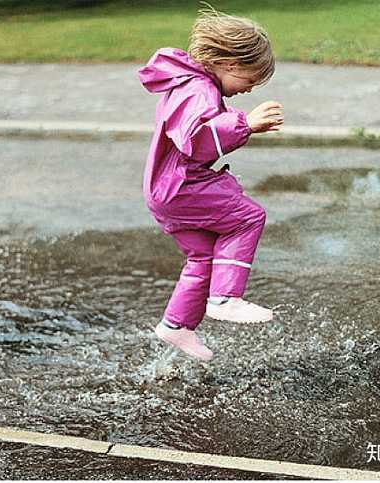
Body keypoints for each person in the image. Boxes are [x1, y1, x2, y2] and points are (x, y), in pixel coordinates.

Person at [138, 6, 283, 361]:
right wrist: (245, 123)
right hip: (181, 187)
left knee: (203, 254)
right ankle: (225, 299)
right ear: (231, 64)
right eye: (249, 81)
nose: (248, 90)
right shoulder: (199, 89)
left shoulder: (190, 84)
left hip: (164, 190)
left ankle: (176, 326)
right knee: (248, 217)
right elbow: (197, 138)